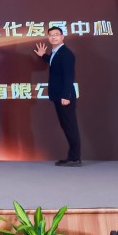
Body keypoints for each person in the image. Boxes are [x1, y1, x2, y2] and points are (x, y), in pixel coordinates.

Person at [34, 26, 81, 167]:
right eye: (51, 35)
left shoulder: (66, 54)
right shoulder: (57, 52)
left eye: (56, 34)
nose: (53, 37)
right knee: (66, 125)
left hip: (64, 97)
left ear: (62, 37)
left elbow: (68, 76)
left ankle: (74, 157)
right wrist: (44, 56)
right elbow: (55, 64)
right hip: (59, 96)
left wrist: (66, 95)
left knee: (70, 126)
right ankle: (73, 156)